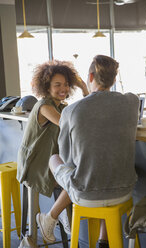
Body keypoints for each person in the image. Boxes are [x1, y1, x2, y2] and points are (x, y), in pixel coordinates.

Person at [36, 55, 139, 248]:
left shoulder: (71, 111)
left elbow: (67, 160)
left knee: (54, 158)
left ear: (90, 76)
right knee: (104, 169)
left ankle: (51, 217)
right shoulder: (132, 103)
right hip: (125, 191)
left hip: (86, 194)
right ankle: (103, 240)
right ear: (114, 80)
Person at [17, 60, 89, 246]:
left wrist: (83, 88)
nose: (63, 88)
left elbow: (85, 114)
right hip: (35, 164)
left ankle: (57, 215)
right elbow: (70, 124)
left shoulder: (61, 106)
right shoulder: (45, 106)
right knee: (77, 178)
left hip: (48, 161)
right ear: (46, 86)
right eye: (57, 85)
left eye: (66, 84)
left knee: (77, 174)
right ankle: (56, 215)